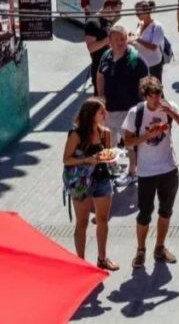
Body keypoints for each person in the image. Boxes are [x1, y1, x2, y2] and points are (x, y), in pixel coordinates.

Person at [122, 76, 179, 269]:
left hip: (169, 168)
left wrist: (172, 113)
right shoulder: (135, 113)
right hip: (146, 172)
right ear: (145, 96)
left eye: (159, 94)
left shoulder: (169, 107)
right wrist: (146, 136)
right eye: (153, 96)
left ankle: (160, 247)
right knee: (144, 213)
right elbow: (127, 141)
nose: (157, 99)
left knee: (165, 211)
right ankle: (141, 250)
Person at [62, 97, 119, 271]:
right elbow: (66, 159)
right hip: (81, 182)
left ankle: (102, 258)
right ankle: (80, 262)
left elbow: (107, 154)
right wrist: (88, 160)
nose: (105, 114)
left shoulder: (105, 133)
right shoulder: (76, 134)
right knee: (82, 222)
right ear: (91, 114)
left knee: (102, 219)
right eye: (101, 111)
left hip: (101, 178)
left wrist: (110, 158)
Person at [96, 25, 150, 187]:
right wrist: (100, 97)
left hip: (128, 111)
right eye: (117, 39)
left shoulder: (136, 60)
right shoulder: (106, 56)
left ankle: (132, 172)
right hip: (108, 110)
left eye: (124, 38)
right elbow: (100, 75)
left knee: (129, 143)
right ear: (110, 41)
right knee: (108, 141)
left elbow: (147, 84)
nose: (121, 42)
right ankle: (111, 166)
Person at [84, 0, 123, 95]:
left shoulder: (108, 22)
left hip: (110, 65)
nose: (118, 15)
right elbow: (91, 48)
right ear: (109, 7)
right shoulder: (93, 22)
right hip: (99, 68)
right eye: (117, 11)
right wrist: (107, 40)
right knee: (101, 99)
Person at [132, 0, 166, 82]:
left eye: (138, 12)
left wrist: (137, 39)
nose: (137, 15)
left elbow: (153, 47)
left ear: (147, 11)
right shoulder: (139, 24)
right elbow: (137, 40)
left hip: (153, 64)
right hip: (141, 63)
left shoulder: (157, 27)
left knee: (156, 88)